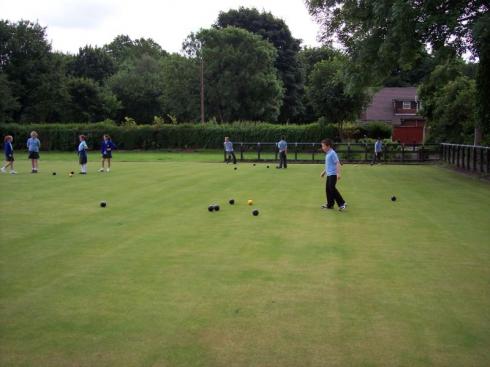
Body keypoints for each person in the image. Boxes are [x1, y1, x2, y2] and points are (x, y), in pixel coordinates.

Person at [320, 139, 346, 211]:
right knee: (328, 189)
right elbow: (329, 165)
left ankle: (342, 203)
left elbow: (337, 163)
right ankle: (330, 204)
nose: (322, 148)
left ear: (328, 146)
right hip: (329, 174)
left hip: (333, 174)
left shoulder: (332, 153)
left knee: (332, 188)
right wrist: (324, 172)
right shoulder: (328, 153)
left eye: (323, 146)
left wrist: (338, 173)